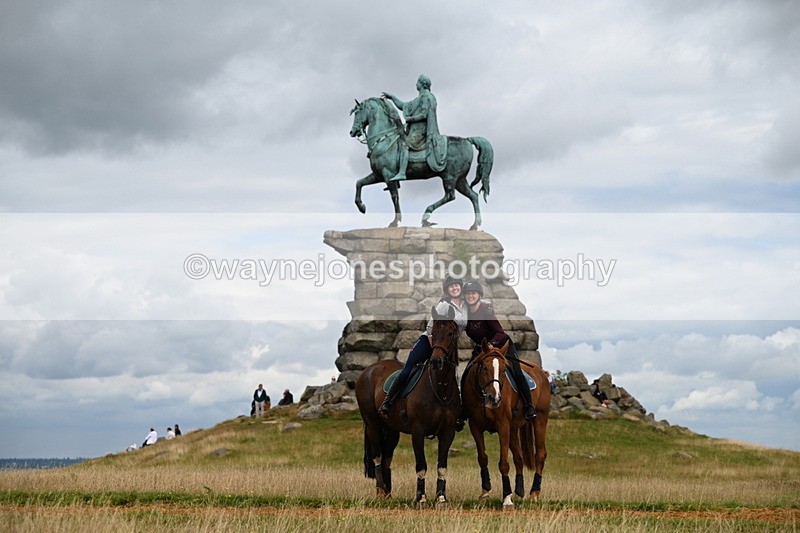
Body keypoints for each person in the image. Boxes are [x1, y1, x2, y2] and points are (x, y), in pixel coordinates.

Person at [379, 276, 467, 415]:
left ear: (461, 288)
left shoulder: (464, 306)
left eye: (457, 285)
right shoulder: (444, 305)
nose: (455, 288)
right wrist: (435, 349)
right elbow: (431, 326)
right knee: (408, 370)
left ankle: (455, 411)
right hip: (429, 341)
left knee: (451, 375)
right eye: (451, 286)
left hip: (448, 346)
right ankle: (389, 401)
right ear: (447, 290)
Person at [457, 280, 536, 430]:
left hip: (502, 345)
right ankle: (465, 410)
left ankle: (528, 405)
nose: (470, 296)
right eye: (467, 294)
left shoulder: (486, 309)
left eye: (473, 293)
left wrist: (493, 344)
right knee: (467, 373)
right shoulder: (464, 312)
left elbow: (500, 332)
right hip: (482, 349)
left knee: (517, 373)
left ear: (479, 295)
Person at [382, 74, 445, 183]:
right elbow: (403, 106)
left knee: (404, 145)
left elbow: (424, 114)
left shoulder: (427, 97)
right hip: (414, 130)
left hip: (421, 131)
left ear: (422, 84)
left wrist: (411, 119)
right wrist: (393, 98)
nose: (416, 84)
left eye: (417, 82)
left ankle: (402, 172)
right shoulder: (418, 99)